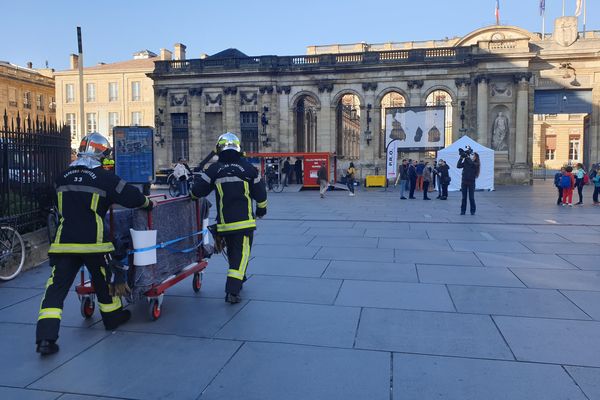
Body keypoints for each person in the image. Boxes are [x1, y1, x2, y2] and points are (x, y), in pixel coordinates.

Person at [36, 133, 153, 356]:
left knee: (55, 289)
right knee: (103, 280)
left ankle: (45, 338)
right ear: (101, 154)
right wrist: (147, 203)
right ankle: (112, 317)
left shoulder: (62, 177)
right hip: (94, 243)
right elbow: (132, 197)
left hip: (65, 243)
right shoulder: (104, 178)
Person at [191, 132, 267, 304]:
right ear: (238, 148)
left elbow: (197, 191)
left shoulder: (214, 169)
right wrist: (262, 210)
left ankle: (240, 277)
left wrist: (191, 195)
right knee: (242, 255)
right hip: (244, 223)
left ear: (219, 149)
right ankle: (232, 291)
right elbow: (261, 194)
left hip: (224, 225)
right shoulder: (249, 169)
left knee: (234, 254)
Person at [457, 151, 480, 215]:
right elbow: (458, 166)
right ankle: (463, 211)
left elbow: (471, 164)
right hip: (464, 181)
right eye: (472, 155)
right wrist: (461, 157)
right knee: (464, 197)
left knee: (471, 197)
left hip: (471, 182)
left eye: (473, 156)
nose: (472, 156)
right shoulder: (466, 161)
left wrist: (467, 157)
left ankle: (472, 211)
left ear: (476, 157)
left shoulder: (476, 163)